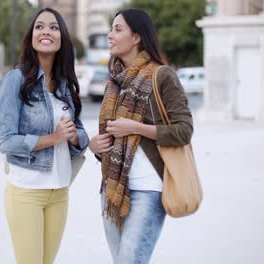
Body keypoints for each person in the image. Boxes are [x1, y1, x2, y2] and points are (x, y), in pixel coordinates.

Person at [88, 8, 194, 263]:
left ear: (136, 37)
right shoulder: (115, 82)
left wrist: (136, 128)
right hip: (113, 189)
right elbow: (113, 138)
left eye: (118, 29)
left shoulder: (161, 75)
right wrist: (95, 146)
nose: (110, 35)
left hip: (149, 190)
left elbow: (184, 130)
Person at [0, 7, 90, 264]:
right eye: (39, 26)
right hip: (26, 190)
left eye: (53, 27)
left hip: (59, 190)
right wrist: (53, 137)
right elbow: (5, 141)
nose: (46, 31)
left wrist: (72, 137)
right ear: (31, 37)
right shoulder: (15, 80)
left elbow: (81, 136)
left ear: (62, 38)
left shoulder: (64, 84)